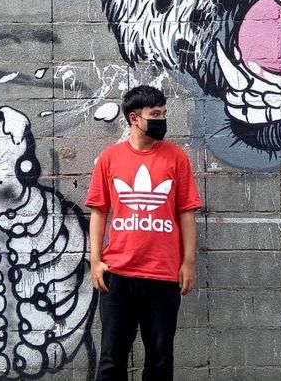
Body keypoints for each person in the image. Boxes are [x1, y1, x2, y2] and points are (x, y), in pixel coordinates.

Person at [85, 85, 202, 381]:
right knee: (112, 359)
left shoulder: (176, 158)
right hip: (118, 274)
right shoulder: (110, 158)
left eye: (163, 113)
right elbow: (99, 212)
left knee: (160, 359)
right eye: (155, 114)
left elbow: (186, 212)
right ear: (134, 118)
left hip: (163, 274)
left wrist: (188, 262)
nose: (162, 120)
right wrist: (95, 260)